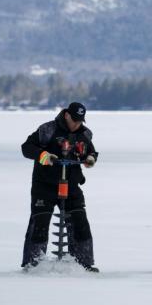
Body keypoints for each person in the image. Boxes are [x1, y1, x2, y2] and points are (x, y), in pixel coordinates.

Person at [20, 101, 99, 271]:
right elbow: (26, 148)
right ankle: (32, 264)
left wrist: (91, 158)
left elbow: (90, 151)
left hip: (71, 184)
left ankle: (83, 264)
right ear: (67, 115)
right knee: (39, 223)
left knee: (80, 222)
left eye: (80, 120)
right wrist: (43, 155)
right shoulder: (48, 129)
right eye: (75, 119)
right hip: (44, 185)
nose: (77, 124)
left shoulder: (84, 134)